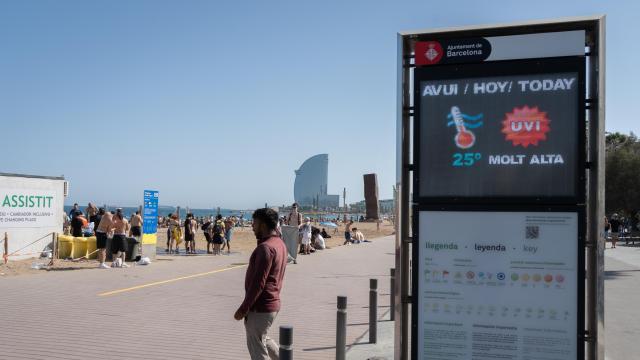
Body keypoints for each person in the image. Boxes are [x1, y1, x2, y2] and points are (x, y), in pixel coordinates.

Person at [234, 208, 287, 360]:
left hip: (261, 307)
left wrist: (243, 309)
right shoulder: (279, 243)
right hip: (272, 303)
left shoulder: (266, 248)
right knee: (261, 338)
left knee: (257, 350)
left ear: (262, 225)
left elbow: (258, 283)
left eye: (254, 223)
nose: (252, 226)